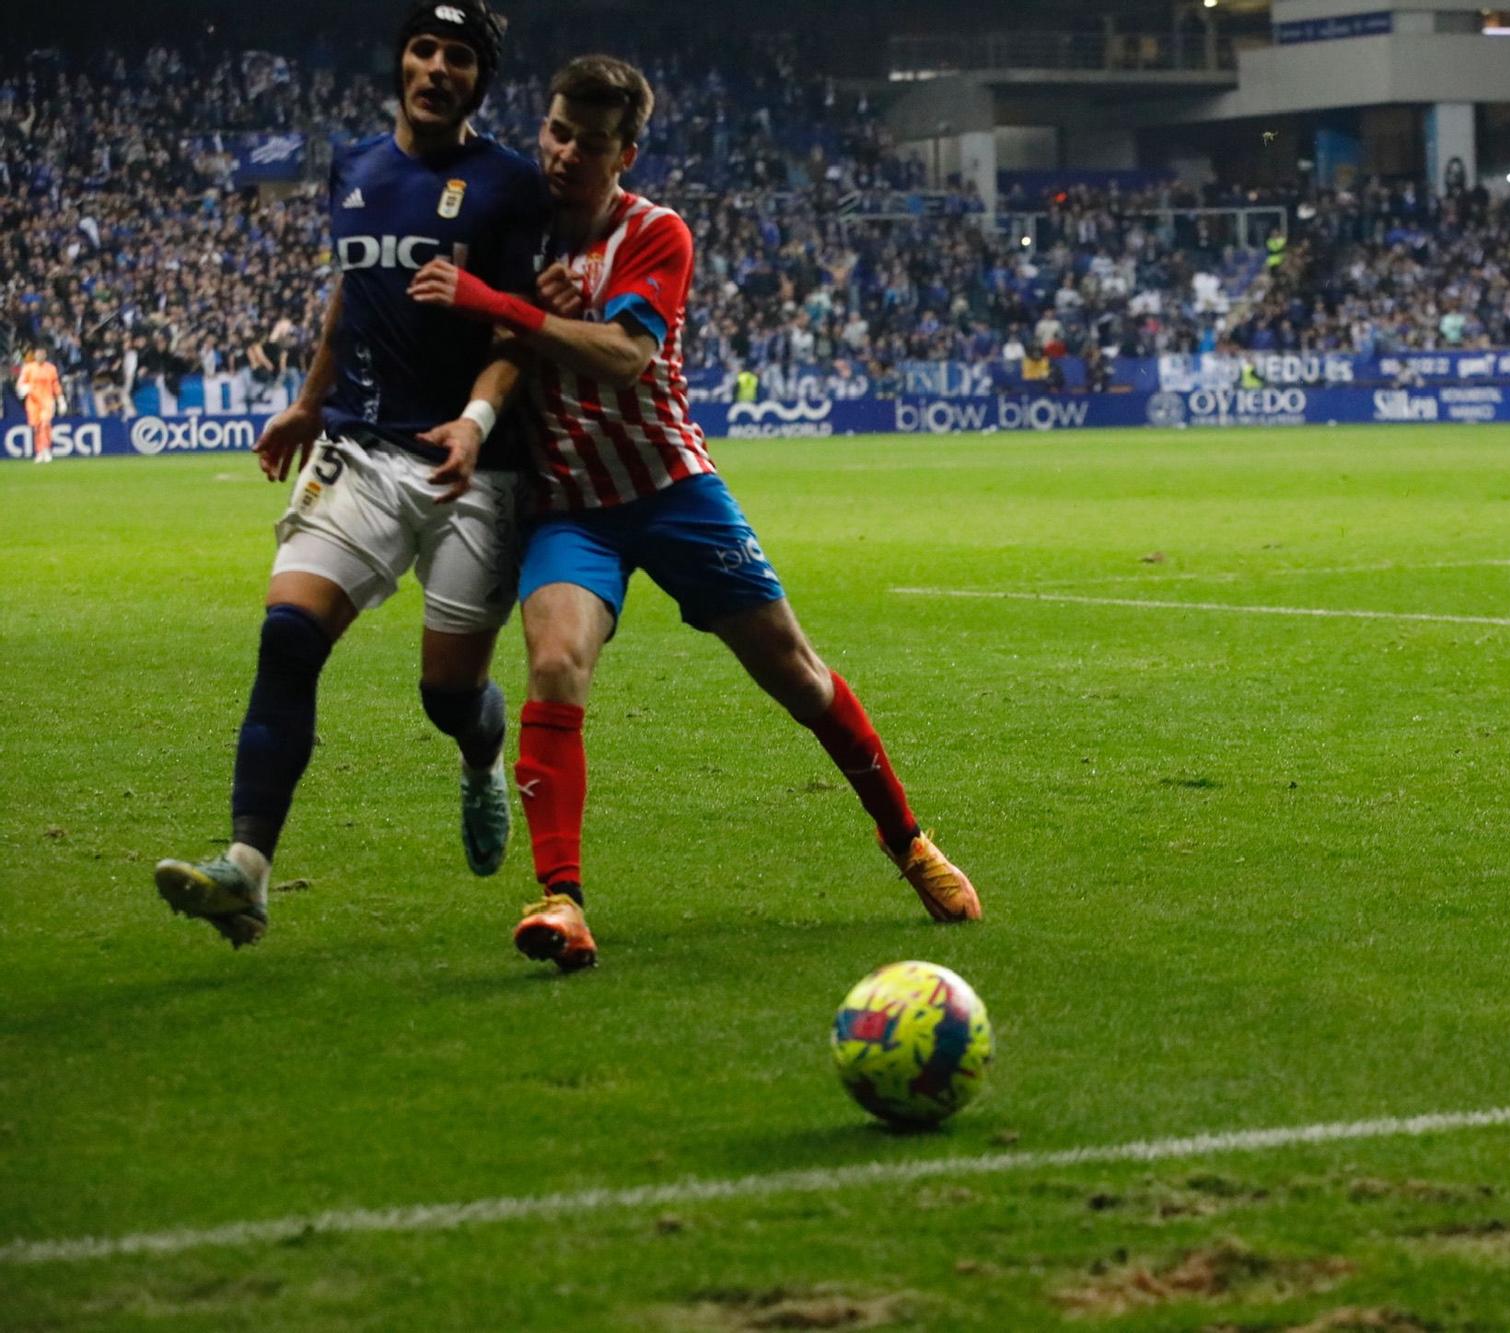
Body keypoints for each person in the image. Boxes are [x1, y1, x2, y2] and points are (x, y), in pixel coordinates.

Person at [409, 54, 982, 972]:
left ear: (625, 154)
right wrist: (502, 312)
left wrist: (501, 305)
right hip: (572, 506)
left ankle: (908, 840)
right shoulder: (517, 229)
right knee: (554, 664)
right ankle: (563, 900)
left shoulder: (656, 233)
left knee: (796, 674)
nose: (563, 156)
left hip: (674, 490)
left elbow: (627, 355)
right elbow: (466, 334)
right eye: (556, 132)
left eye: (589, 145)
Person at [153, 0, 544, 947]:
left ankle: (480, 755)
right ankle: (246, 869)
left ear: (478, 81)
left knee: (448, 694)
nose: (436, 67)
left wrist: (476, 417)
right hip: (360, 448)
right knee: (288, 636)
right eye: (422, 49)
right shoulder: (355, 167)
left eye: (457, 56)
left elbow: (517, 333)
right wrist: (306, 397)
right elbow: (350, 297)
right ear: (401, 62)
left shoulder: (508, 185)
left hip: (473, 469)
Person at [14, 348, 65, 463]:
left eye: (42, 354)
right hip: (32, 402)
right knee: (36, 427)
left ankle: (46, 449)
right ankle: (39, 451)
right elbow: (21, 383)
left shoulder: (51, 368)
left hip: (47, 400)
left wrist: (60, 399)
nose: (40, 356)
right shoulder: (28, 368)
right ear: (35, 355)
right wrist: (23, 388)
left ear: (45, 355)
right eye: (38, 354)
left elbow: (55, 384)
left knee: (45, 424)